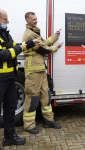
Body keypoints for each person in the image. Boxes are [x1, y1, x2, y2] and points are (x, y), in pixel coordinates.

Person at [0, 9, 39, 149]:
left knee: (10, 108)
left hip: (10, 78)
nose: (7, 22)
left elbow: (16, 46)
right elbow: (3, 54)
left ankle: (9, 137)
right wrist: (16, 50)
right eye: (5, 19)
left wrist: (30, 43)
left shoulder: (6, 35)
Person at [22, 12, 63, 134]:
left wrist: (55, 36)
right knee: (33, 97)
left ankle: (49, 121)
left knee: (46, 95)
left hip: (40, 70)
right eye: (33, 19)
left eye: (36, 19)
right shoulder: (29, 35)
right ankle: (29, 126)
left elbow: (44, 43)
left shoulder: (35, 33)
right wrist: (56, 48)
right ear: (27, 21)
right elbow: (43, 49)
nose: (36, 21)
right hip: (33, 71)